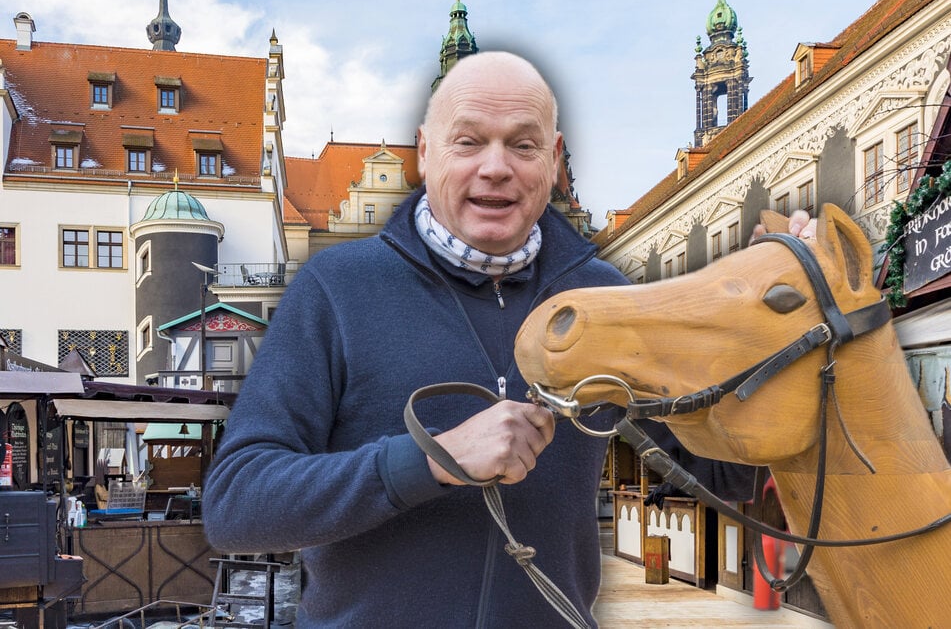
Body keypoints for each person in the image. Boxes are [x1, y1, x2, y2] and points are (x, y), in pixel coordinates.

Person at [202, 51, 814, 628]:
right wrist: (433, 461)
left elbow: (718, 477)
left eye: (522, 145)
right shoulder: (336, 289)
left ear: (552, 160)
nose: (495, 167)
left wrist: (773, 325)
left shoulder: (600, 299)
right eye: (468, 141)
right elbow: (236, 504)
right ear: (425, 152)